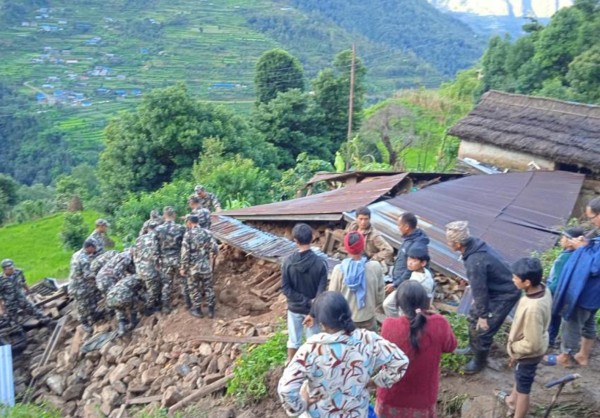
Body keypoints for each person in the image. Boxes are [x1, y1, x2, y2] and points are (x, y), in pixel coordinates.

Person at [278, 291, 409, 418]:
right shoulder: (368, 339)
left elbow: (286, 389)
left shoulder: (312, 349)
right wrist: (375, 381)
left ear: (322, 324)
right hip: (357, 413)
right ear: (348, 312)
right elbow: (400, 361)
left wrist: (301, 405)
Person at [446, 220, 521, 374]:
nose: (448, 244)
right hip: (494, 288)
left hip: (504, 293)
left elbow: (480, 289)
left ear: (458, 244)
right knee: (472, 318)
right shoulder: (474, 246)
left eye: (450, 242)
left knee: (484, 328)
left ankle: (479, 362)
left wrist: (484, 315)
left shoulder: (475, 260)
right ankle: (473, 348)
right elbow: (479, 286)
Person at [376, 281, 457, 418]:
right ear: (426, 301)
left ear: (398, 304)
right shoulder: (439, 323)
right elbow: (450, 346)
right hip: (422, 398)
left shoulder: (389, 325)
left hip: (391, 396)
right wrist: (436, 315)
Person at [495, 257, 551, 418]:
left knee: (524, 388)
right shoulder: (542, 289)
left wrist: (513, 349)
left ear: (526, 282)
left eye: (515, 277)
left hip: (528, 354)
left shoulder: (533, 308)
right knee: (520, 377)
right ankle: (512, 400)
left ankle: (518, 414)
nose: (513, 279)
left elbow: (531, 344)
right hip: (532, 346)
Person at [548, 197, 600, 367]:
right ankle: (583, 355)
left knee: (572, 322)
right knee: (589, 321)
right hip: (594, 294)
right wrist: (587, 244)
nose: (591, 223)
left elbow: (594, 267)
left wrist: (581, 248)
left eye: (591, 218)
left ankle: (565, 356)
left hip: (587, 291)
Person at [281, 223, 328, 365]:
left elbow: (286, 289)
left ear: (295, 240)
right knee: (314, 342)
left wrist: (302, 300)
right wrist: (311, 307)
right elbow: (321, 291)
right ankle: (314, 369)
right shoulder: (320, 263)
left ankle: (291, 365)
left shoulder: (287, 262)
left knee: (294, 340)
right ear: (312, 238)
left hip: (294, 309)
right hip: (312, 312)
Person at [328, 231, 384, 330]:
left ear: (346, 247)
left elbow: (332, 297)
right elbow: (380, 296)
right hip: (368, 318)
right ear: (363, 246)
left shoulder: (339, 270)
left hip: (346, 320)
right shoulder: (375, 267)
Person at [383, 212, 430, 317]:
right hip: (402, 281)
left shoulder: (416, 245)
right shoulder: (410, 239)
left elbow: (410, 269)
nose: (398, 227)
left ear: (407, 227)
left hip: (407, 284)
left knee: (393, 306)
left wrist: (396, 284)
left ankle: (400, 327)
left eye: (399, 225)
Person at [546, 227, 585, 347]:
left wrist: (547, 290)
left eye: (563, 237)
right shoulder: (572, 254)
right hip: (562, 292)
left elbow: (557, 279)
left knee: (551, 316)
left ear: (570, 241)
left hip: (555, 291)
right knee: (555, 315)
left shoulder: (566, 257)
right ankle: (551, 339)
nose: (561, 240)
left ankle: (549, 340)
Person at [180, 213, 219, 318]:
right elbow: (215, 248)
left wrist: (183, 267)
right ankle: (211, 311)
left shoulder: (188, 235)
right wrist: (213, 256)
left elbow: (185, 253)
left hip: (193, 268)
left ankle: (198, 310)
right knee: (209, 288)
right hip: (206, 266)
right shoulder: (207, 233)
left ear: (189, 223)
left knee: (194, 288)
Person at [0, 259, 53, 326]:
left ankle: (49, 322)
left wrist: (29, 292)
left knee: (33, 310)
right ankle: (20, 334)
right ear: (4, 270)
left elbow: (23, 282)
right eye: (10, 269)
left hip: (21, 297)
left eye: (12, 268)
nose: (12, 270)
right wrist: (1, 309)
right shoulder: (1, 280)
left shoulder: (18, 272)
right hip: (10, 302)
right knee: (13, 320)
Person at [155, 206, 187, 313]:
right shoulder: (181, 228)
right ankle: (188, 303)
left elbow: (155, 248)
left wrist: (157, 261)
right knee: (183, 281)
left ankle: (166, 307)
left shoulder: (158, 230)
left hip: (165, 261)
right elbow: (185, 245)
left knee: (167, 284)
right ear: (174, 215)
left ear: (164, 216)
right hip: (178, 258)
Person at [69, 239, 101, 333]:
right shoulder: (84, 260)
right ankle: (84, 323)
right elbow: (88, 275)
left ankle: (93, 315)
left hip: (78, 283)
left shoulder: (77, 254)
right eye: (94, 248)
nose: (95, 251)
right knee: (82, 305)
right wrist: (98, 277)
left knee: (90, 300)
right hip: (79, 286)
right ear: (89, 247)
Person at [133, 220, 161, 315]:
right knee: (154, 289)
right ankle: (149, 308)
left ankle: (148, 302)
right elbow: (156, 253)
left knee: (147, 287)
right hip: (149, 269)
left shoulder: (139, 239)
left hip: (139, 269)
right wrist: (158, 266)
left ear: (148, 228)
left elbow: (134, 253)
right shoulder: (155, 238)